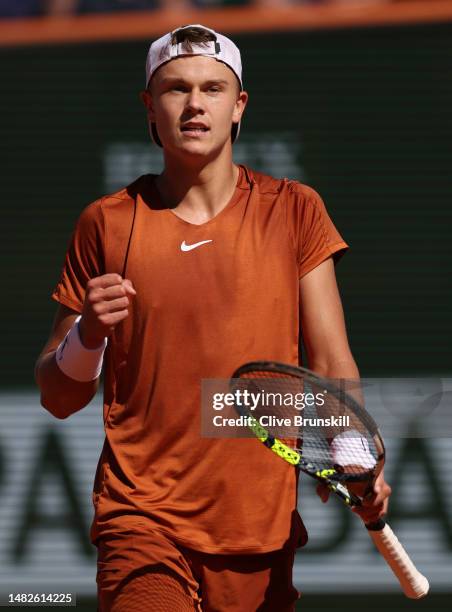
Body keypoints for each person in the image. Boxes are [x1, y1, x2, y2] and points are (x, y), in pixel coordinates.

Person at [35, 24, 391, 612]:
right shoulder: (105, 223)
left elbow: (329, 360)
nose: (195, 104)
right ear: (150, 108)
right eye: (176, 89)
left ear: (238, 106)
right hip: (140, 518)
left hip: (259, 530)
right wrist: (88, 335)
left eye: (212, 89)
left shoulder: (296, 210)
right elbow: (57, 395)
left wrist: (352, 458)